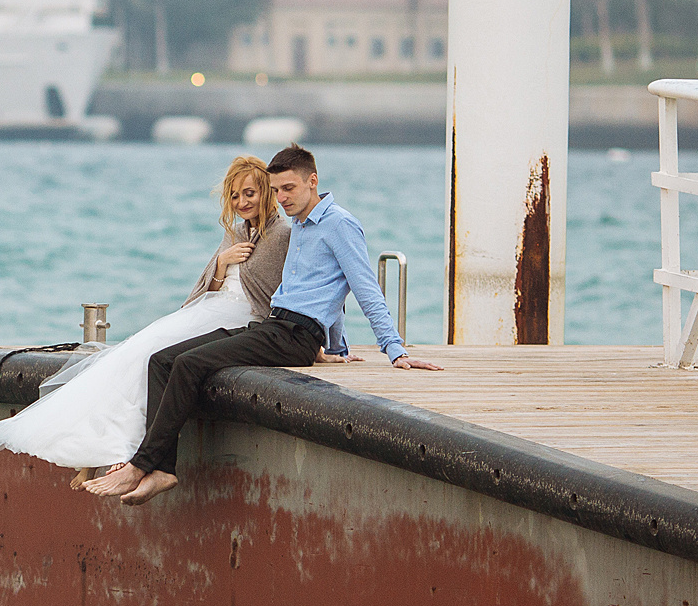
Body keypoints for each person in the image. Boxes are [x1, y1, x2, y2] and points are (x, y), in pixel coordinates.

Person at [83, 144, 443, 506]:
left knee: (190, 365)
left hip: (295, 335)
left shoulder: (339, 224)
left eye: (289, 188)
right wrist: (336, 348)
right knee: (162, 360)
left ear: (312, 181)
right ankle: (162, 468)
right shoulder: (300, 225)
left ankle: (142, 465)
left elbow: (363, 287)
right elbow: (323, 290)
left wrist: (394, 350)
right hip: (273, 327)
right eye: (276, 190)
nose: (281, 198)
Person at [0, 155, 290, 472]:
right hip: (210, 307)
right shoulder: (235, 233)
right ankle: (98, 447)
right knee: (138, 348)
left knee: (158, 356)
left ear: (266, 192)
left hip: (242, 318)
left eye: (249, 194)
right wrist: (223, 262)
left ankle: (125, 449)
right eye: (235, 196)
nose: (242, 202)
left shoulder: (281, 234)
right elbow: (210, 287)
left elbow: (282, 292)